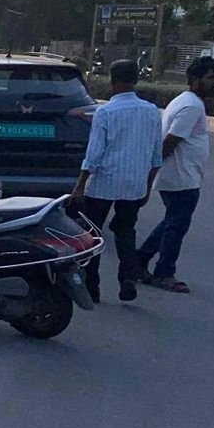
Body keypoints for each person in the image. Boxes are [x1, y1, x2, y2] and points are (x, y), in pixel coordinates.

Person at [70, 60, 162, 303]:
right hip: (134, 184)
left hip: (104, 182)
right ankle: (128, 278)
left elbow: (94, 154)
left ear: (113, 81)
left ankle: (92, 286)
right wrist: (147, 187)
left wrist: (79, 186)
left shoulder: (105, 112)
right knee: (125, 231)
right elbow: (156, 156)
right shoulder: (151, 111)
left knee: (92, 232)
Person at [138, 56, 214, 293]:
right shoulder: (191, 106)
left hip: (182, 175)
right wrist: (150, 174)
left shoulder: (190, 102)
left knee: (172, 222)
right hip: (180, 177)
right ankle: (164, 273)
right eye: (211, 78)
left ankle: (139, 261)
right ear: (195, 79)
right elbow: (169, 143)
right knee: (176, 225)